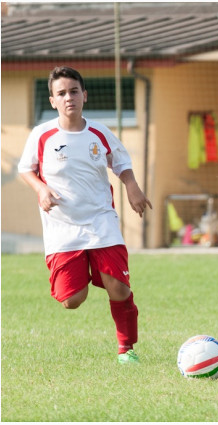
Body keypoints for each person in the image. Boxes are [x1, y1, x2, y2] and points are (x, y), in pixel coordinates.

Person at [18, 66, 152, 365]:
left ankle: (126, 349)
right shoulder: (42, 135)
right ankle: (87, 270)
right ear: (52, 100)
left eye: (74, 91)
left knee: (118, 287)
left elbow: (121, 162)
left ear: (84, 95)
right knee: (72, 300)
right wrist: (41, 189)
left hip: (101, 221)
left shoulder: (99, 132)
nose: (69, 98)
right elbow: (25, 169)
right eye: (61, 93)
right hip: (62, 227)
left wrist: (133, 188)